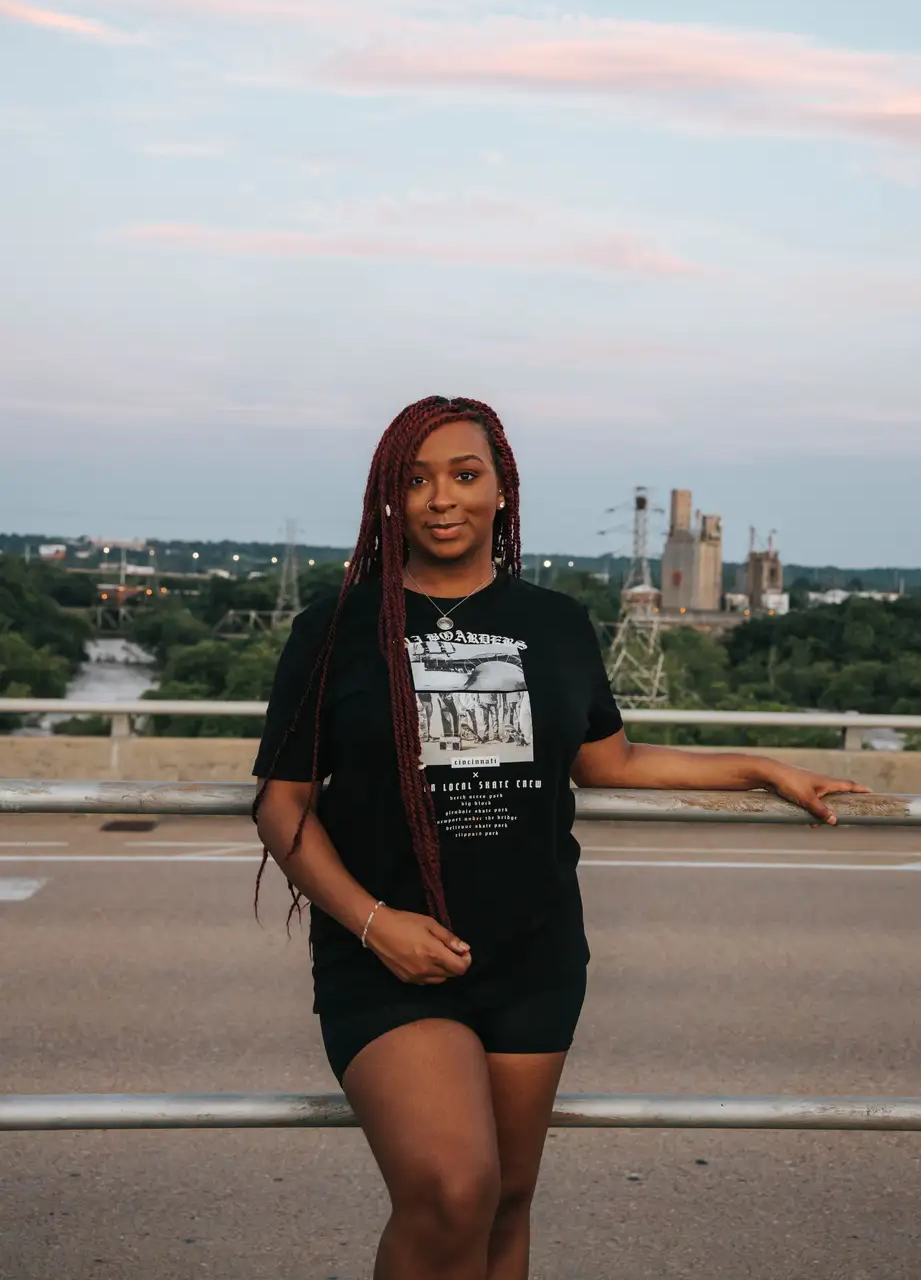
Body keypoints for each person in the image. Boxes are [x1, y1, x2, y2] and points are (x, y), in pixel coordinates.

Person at [252, 394, 867, 1280]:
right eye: (415, 481)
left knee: (505, 1203)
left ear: (502, 490)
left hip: (534, 954)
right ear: (390, 499)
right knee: (452, 1190)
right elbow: (284, 805)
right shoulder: (337, 627)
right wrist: (375, 923)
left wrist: (760, 768)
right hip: (384, 954)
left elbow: (609, 760)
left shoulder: (554, 624)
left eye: (465, 475)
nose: (441, 499)